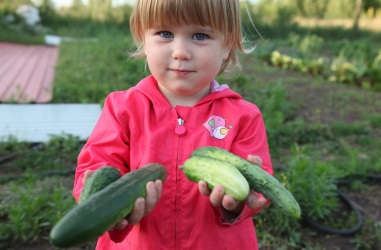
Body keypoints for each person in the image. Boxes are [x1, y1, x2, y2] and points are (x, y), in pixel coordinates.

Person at [73, 0, 274, 249]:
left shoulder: (243, 116)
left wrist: (237, 201)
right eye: (165, 33)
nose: (180, 51)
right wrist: (106, 207)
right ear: (142, 38)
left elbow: (259, 185)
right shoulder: (122, 109)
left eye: (200, 35)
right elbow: (96, 168)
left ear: (227, 45)